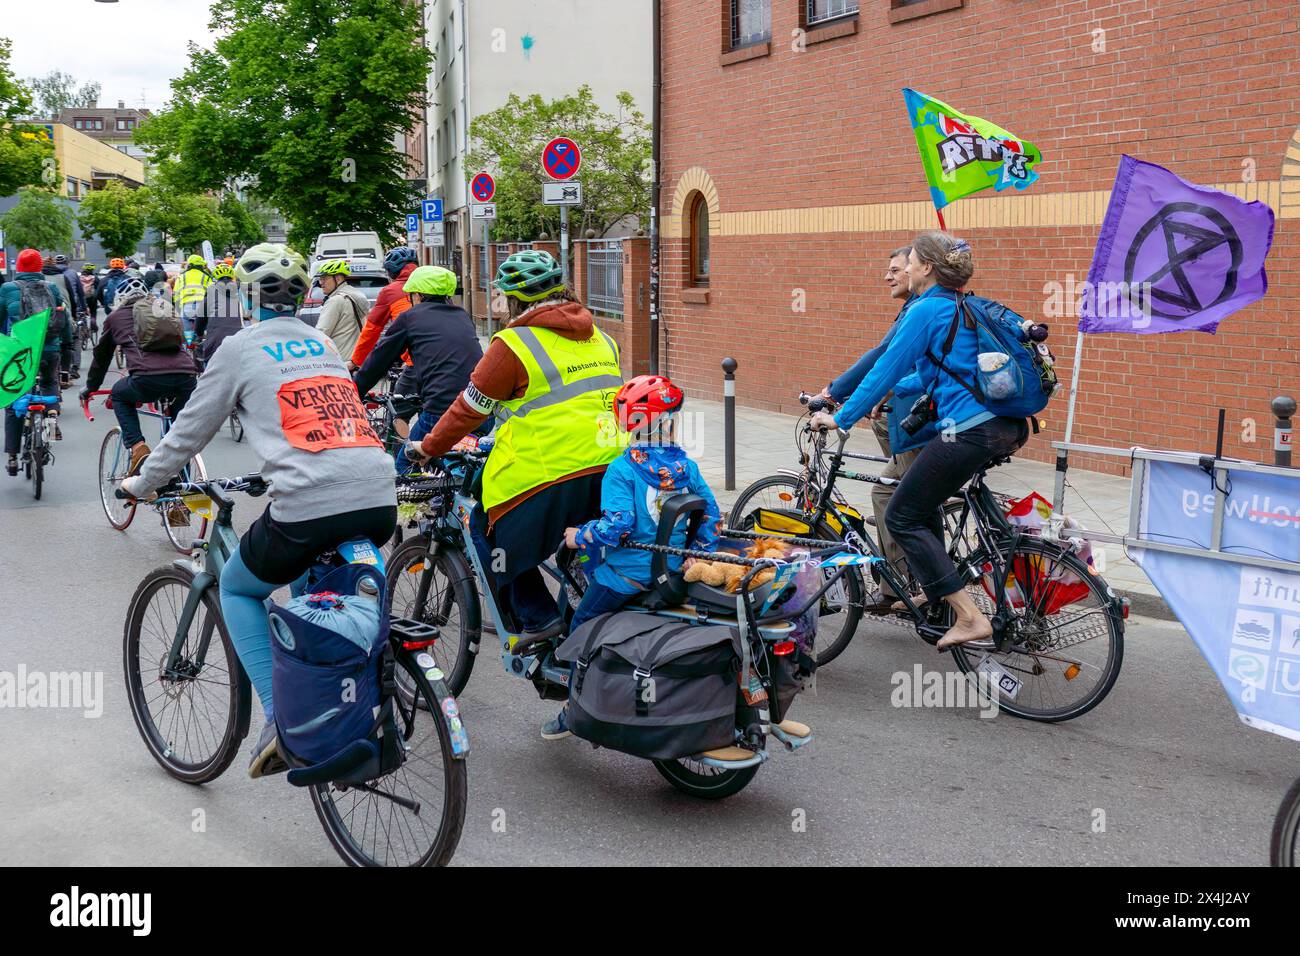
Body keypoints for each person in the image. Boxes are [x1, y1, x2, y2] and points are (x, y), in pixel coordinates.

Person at [118, 242, 397, 777]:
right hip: (378, 496)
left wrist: (142, 483)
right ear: (305, 295)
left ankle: (281, 720)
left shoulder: (241, 349)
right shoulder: (321, 342)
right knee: (322, 589)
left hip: (312, 503)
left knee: (240, 587)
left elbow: (186, 434)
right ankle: (345, 692)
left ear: (246, 296)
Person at [809, 232, 1031, 649]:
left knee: (899, 515)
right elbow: (930, 374)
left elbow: (884, 369)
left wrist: (839, 418)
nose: (903, 269)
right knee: (921, 502)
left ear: (926, 269)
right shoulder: (963, 305)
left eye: (908, 263)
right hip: (1007, 425)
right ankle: (938, 594)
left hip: (970, 429)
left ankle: (967, 615)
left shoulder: (926, 310)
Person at [406, 250, 622, 641]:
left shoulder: (513, 343)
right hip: (612, 467)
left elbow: (469, 409)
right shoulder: (603, 337)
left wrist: (431, 446)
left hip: (550, 470)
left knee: (485, 528)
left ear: (514, 300)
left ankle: (538, 619)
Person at [818, 246, 919, 613]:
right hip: (924, 420)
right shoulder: (919, 308)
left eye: (895, 269)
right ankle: (903, 580)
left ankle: (906, 585)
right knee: (894, 483)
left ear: (917, 269)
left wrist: (834, 398)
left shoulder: (921, 310)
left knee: (887, 497)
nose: (887, 276)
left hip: (927, 426)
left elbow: (881, 359)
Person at [353, 265, 486, 472]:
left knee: (406, 464)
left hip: (443, 409)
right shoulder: (462, 315)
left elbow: (379, 360)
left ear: (418, 295)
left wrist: (354, 392)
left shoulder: (410, 318)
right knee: (468, 465)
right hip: (480, 407)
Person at [80, 276, 198, 481]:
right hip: (187, 376)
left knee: (119, 394)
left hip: (147, 378)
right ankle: (182, 492)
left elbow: (102, 357)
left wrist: (91, 387)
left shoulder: (115, 318)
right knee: (177, 437)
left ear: (120, 298)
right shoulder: (162, 309)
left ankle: (137, 447)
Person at [3, 249, 72, 474]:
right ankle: (51, 424)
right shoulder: (51, 288)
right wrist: (67, 346)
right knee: (50, 383)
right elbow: (63, 319)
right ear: (38, 268)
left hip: (20, 352)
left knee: (14, 396)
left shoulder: (7, 289)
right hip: (49, 348)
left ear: (19, 268)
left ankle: (12, 456)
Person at [350, 246, 419, 394]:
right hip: (451, 361)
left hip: (416, 362)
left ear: (392, 272)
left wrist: (356, 361)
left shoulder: (390, 291)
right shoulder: (432, 286)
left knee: (401, 407)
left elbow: (371, 331)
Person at [314, 258, 369, 363]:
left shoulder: (335, 301)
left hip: (340, 361)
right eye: (320, 279)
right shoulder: (355, 296)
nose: (321, 283)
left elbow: (321, 334)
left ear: (338, 278)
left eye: (324, 278)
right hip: (357, 358)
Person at [193, 262, 244, 366]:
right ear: (232, 277)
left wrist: (199, 334)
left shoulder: (211, 294)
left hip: (215, 344)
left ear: (215, 279)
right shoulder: (243, 294)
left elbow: (200, 321)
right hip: (241, 343)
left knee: (209, 369)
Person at [42, 255, 83, 381]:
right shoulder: (63, 277)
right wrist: (74, 315)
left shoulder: (39, 278)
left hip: (43, 316)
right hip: (63, 313)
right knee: (70, 342)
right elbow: (72, 297)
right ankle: (67, 372)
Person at [172, 254, 212, 333]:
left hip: (186, 306)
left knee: (187, 333)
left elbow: (176, 293)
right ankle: (202, 341)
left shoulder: (181, 276)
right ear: (201, 265)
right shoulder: (206, 276)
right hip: (202, 306)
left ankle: (189, 344)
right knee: (204, 331)